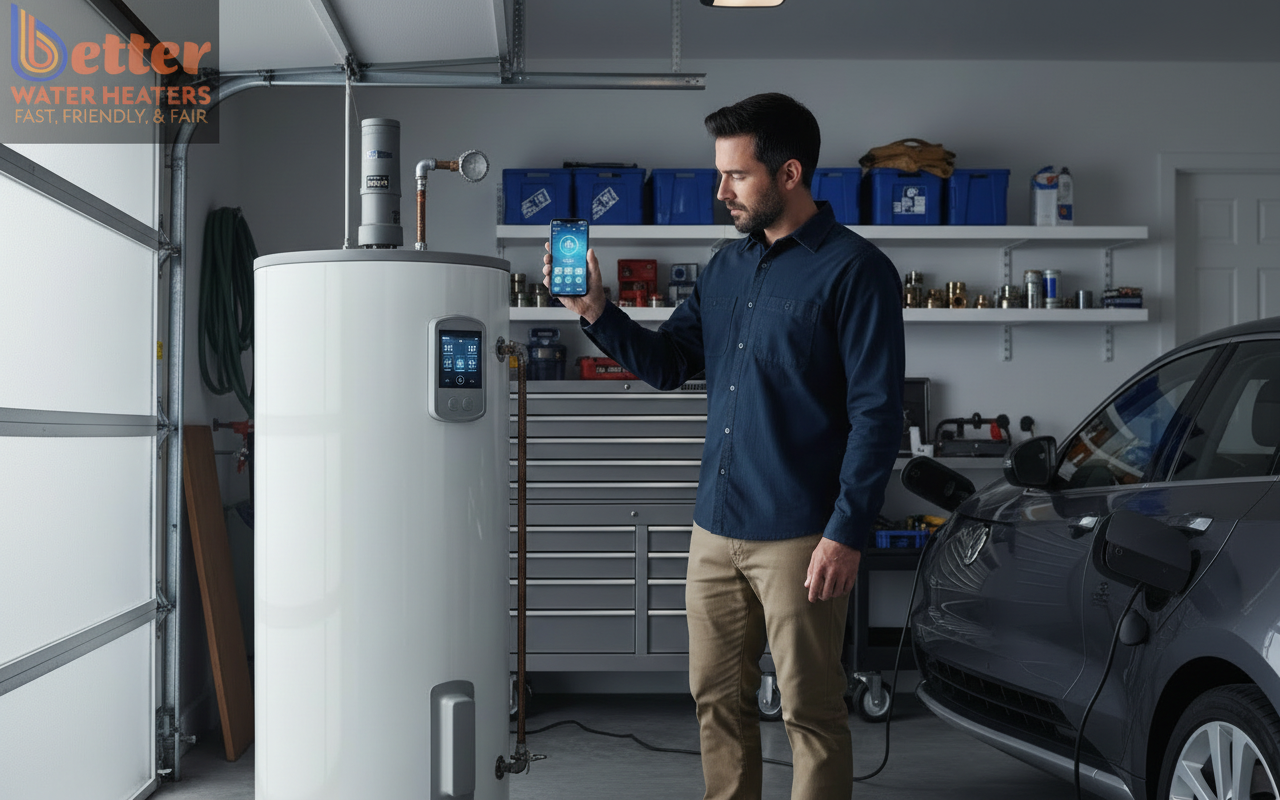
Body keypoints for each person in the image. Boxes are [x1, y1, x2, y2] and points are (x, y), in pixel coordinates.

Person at [543, 92, 904, 800]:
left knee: (811, 711)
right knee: (716, 701)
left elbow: (877, 414)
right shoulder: (724, 268)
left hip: (803, 535)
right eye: (720, 174)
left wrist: (847, 532)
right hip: (715, 526)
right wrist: (595, 310)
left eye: (737, 175)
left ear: (789, 173)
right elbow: (670, 364)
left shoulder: (856, 272)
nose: (721, 191)